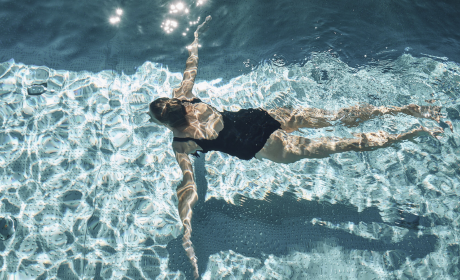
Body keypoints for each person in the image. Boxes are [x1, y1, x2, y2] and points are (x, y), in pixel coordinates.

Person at [147, 16, 447, 278]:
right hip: (261, 117)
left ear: (165, 124)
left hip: (265, 146)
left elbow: (187, 191)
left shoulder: (182, 144)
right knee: (337, 117)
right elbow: (191, 66)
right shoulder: (185, 96)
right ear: (173, 103)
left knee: (342, 145)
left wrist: (187, 234)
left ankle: (413, 134)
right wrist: (197, 35)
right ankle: (405, 110)